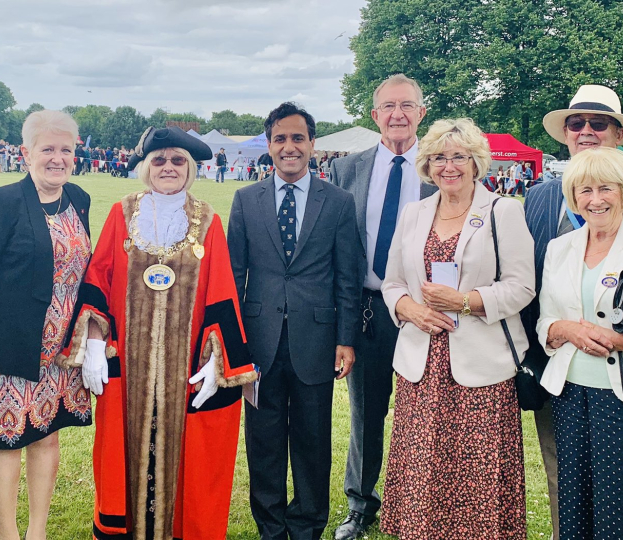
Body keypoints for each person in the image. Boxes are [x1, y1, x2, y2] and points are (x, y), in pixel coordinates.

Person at [65, 125, 256, 539]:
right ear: (145, 167)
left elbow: (222, 291)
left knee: (189, 456)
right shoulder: (123, 212)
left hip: (184, 363)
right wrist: (95, 342)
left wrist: (217, 361)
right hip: (128, 364)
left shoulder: (207, 219)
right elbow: (98, 276)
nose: (168, 167)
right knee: (121, 451)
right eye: (159, 160)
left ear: (190, 169)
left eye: (177, 161)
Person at [378, 118, 533, 539]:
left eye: (459, 156)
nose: (449, 166)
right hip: (421, 369)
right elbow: (391, 282)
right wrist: (410, 308)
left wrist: (466, 301)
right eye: (439, 157)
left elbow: (522, 288)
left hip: (481, 370)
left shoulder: (503, 211)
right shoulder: (414, 213)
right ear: (427, 165)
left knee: (476, 474)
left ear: (475, 162)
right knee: (422, 470)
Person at [227, 102, 362, 540]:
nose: (289, 146)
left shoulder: (338, 202)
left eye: (297, 138)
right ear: (268, 145)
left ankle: (306, 526)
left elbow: (348, 276)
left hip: (317, 340)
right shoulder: (246, 199)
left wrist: (346, 338)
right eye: (281, 138)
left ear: (312, 144)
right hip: (259, 341)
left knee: (312, 441)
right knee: (263, 442)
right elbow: (232, 275)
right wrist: (234, 344)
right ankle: (271, 527)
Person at [0, 110, 92, 540]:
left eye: (65, 150)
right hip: (7, 347)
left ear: (76, 154)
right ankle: (8, 534)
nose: (57, 158)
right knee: (5, 441)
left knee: (46, 437)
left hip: (60, 350)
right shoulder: (3, 201)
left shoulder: (80, 199)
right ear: (26, 152)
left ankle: (37, 532)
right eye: (47, 149)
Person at [329, 73, 437, 540]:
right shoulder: (347, 169)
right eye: (388, 107)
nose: (397, 114)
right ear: (374, 115)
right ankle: (360, 505)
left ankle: (423, 505)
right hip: (367, 311)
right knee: (366, 416)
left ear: (421, 113)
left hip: (425, 312)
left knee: (427, 415)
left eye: (406, 106)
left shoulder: (442, 168)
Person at [523, 84, 623, 540]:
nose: (585, 131)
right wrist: (559, 329)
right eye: (576, 123)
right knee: (568, 485)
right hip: (561, 376)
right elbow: (535, 295)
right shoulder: (541, 200)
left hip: (614, 384)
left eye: (597, 123)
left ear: (617, 133)